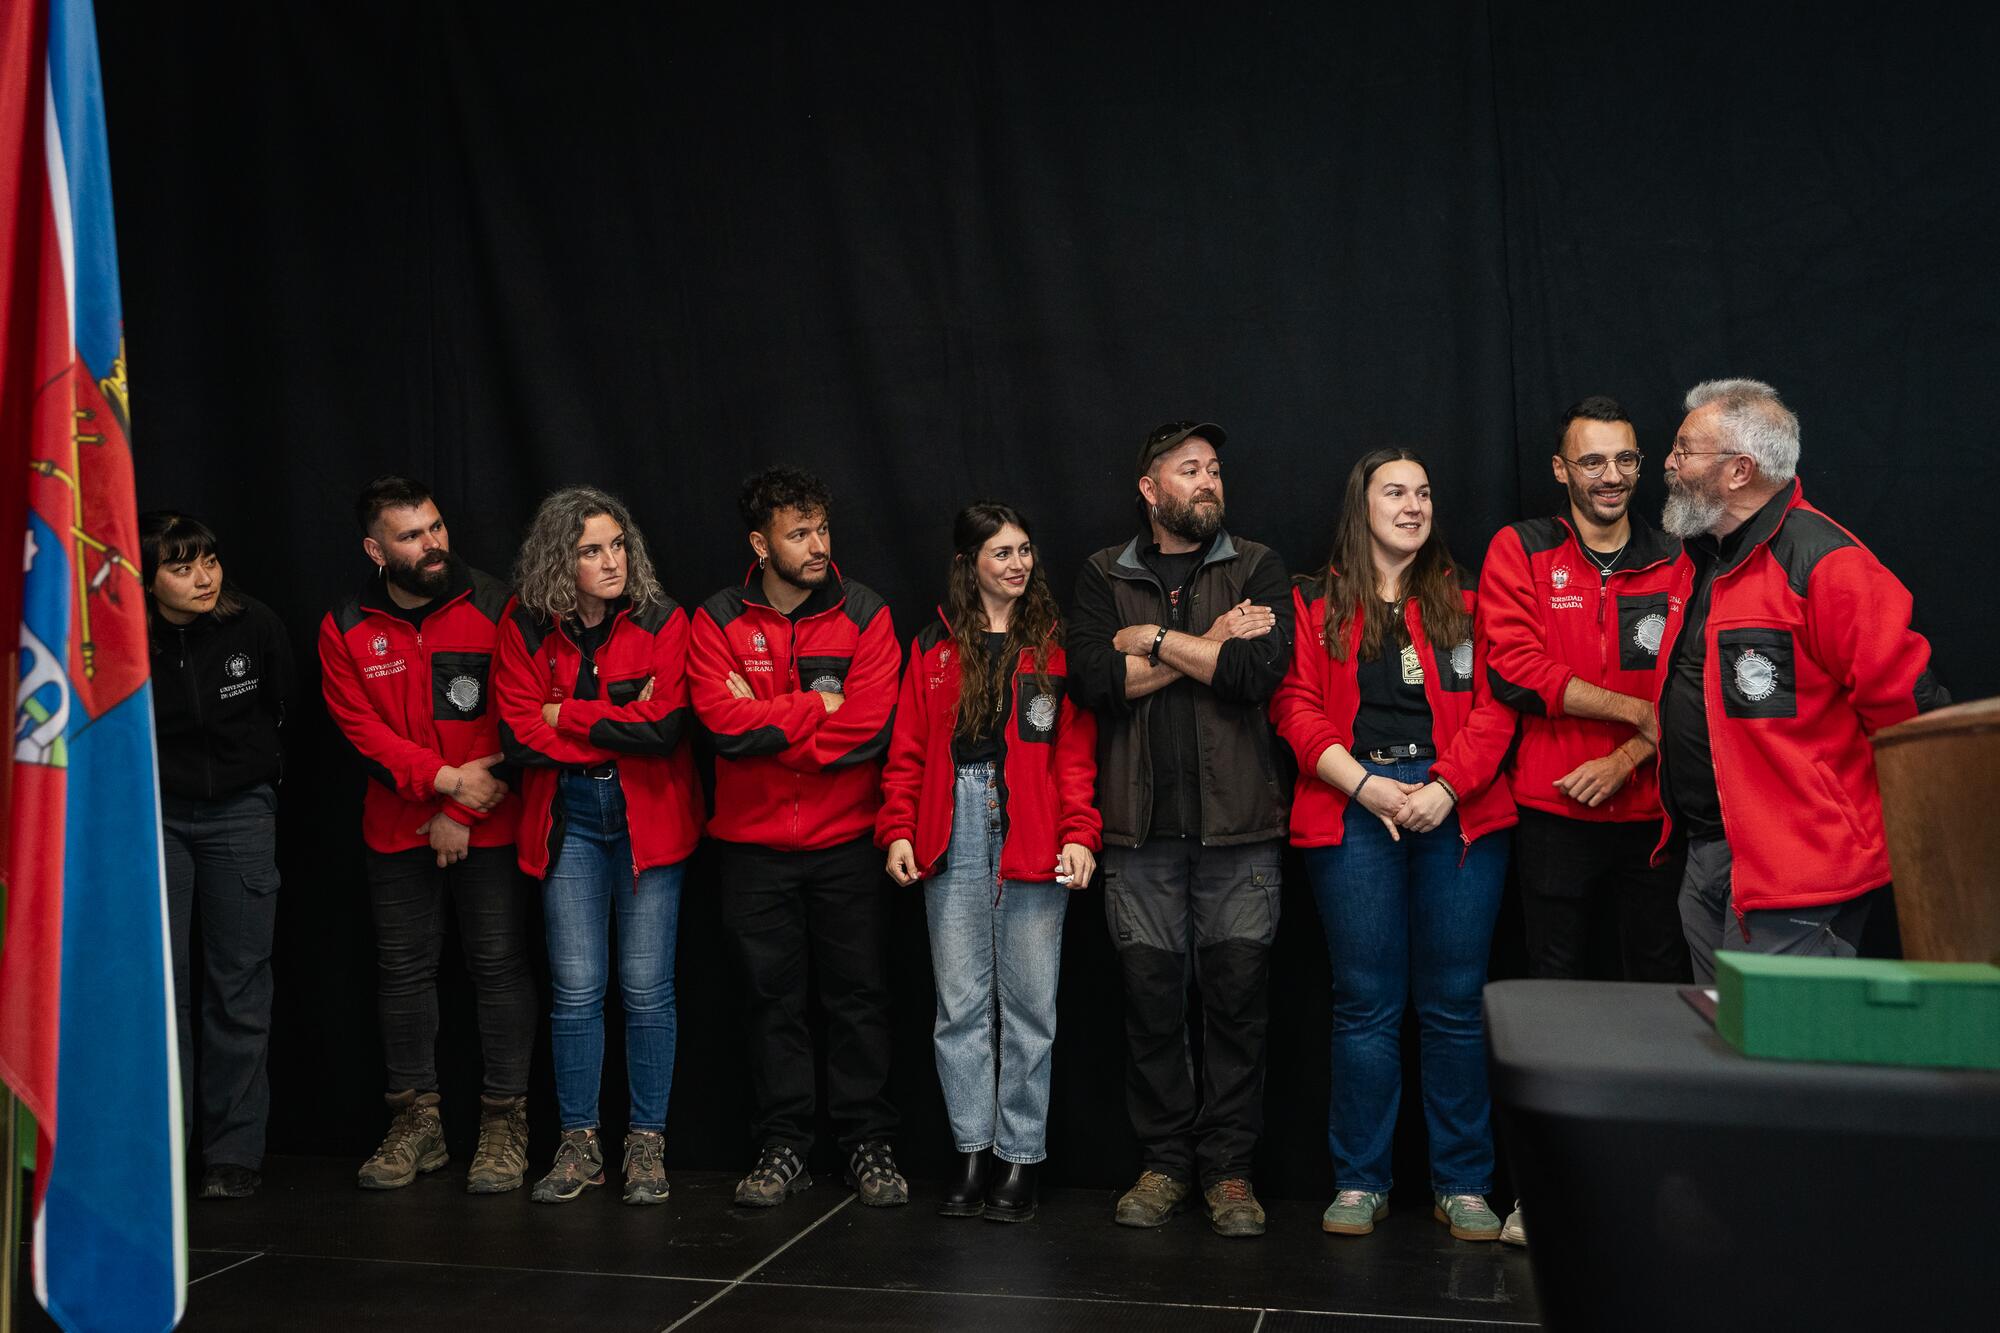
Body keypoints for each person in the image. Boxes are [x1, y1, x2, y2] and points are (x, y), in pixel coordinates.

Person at [1272, 448, 1516, 1244]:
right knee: (1366, 1003)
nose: (1413, 505)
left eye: (1424, 492)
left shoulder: (1468, 601)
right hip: (1353, 806)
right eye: (1395, 492)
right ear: (1361, 505)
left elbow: (1497, 707)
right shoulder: (1315, 604)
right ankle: (1360, 1180)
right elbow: (1295, 707)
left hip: (1458, 807)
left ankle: (1464, 1183)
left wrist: (1446, 787)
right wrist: (1366, 788)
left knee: (1452, 1004)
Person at [1067, 421, 1293, 1238]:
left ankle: (1229, 1173)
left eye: (1215, 469)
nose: (1208, 481)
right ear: (1149, 488)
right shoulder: (1102, 573)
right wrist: (1203, 646)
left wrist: (1154, 642)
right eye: (1190, 469)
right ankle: (1165, 1163)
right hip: (1139, 838)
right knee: (1152, 1005)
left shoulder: (1257, 565)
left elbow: (1251, 675)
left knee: (1238, 1005)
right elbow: (1094, 680)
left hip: (1240, 835)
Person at [1476, 396, 1688, 1249]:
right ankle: (1543, 1191)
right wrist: (1631, 716)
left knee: (1659, 999)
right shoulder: (1519, 547)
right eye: (1592, 462)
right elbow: (1515, 667)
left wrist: (1629, 754)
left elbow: (1689, 681)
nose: (1611, 477)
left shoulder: (1678, 554)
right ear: (1562, 470)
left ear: (1641, 467)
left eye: (1625, 460)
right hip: (1552, 810)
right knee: (1554, 998)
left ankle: (1656, 1186)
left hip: (1653, 814)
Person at [1654, 379, 1948, 982]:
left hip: (1802, 873)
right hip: (1712, 857)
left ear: (1739, 471)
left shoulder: (1829, 564)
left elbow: (1914, 718)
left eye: (1684, 450)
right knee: (1722, 1051)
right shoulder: (1703, 558)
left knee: (1787, 1063)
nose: (1669, 463)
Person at [688, 466, 908, 1208]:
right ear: (760, 542)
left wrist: (772, 715)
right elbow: (721, 727)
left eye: (822, 529)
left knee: (859, 998)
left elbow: (869, 730)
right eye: (799, 533)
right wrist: (817, 703)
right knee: (768, 1000)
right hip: (751, 850)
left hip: (847, 844)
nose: (818, 545)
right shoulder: (715, 617)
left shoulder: (866, 612)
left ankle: (867, 1143)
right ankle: (783, 1142)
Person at [878, 503, 1102, 1223]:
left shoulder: (1054, 646)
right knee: (959, 1005)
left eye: (1025, 550)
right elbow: (909, 749)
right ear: (969, 562)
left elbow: (1074, 755)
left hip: (1032, 827)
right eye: (1001, 552)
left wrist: (1080, 832)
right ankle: (972, 1147)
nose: (1017, 563)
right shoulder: (934, 646)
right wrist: (898, 830)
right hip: (953, 826)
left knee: (1031, 1004)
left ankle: (1020, 1158)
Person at [318, 476, 536, 1194]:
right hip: (397, 826)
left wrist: (463, 808)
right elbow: (363, 734)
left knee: (499, 968)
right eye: (411, 535)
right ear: (375, 549)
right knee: (403, 975)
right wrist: (444, 783)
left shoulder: (500, 603)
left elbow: (516, 721)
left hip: (491, 822)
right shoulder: (344, 623)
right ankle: (418, 1121)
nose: (431, 543)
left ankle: (505, 1122)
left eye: (436, 527)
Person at [494, 487, 704, 1205]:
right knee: (576, 990)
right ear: (560, 559)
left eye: (617, 544)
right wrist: (617, 714)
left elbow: (665, 727)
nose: (612, 561)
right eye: (591, 550)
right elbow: (520, 733)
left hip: (649, 816)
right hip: (569, 817)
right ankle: (578, 1142)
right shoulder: (523, 625)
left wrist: (572, 713)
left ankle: (647, 1143)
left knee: (647, 991)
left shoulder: (662, 617)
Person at [142, 512, 294, 1200]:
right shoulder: (122, 638)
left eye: (208, 559)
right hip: (154, 816)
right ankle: (161, 1151)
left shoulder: (253, 624)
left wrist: (258, 783)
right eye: (180, 565)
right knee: (160, 990)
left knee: (238, 985)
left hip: (240, 812)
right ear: (146, 579)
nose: (202, 577)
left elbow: (282, 707)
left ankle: (233, 1154)